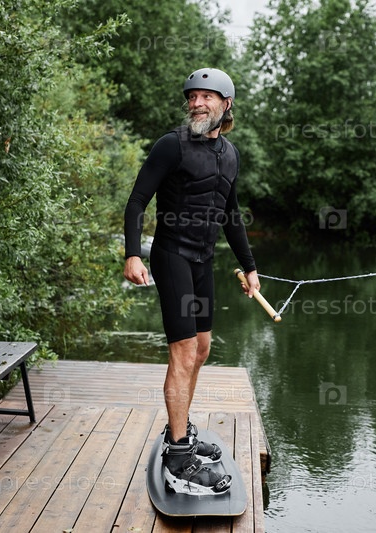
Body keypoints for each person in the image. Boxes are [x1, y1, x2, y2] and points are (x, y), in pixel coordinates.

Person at [123, 67, 260, 495]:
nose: (197, 103)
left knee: (201, 349)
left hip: (203, 261)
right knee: (183, 352)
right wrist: (132, 253)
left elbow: (231, 215)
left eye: (206, 97)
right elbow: (137, 200)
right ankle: (179, 456)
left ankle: (177, 431)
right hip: (171, 256)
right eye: (192, 97)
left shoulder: (230, 154)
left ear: (226, 104)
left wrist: (250, 266)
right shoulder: (172, 145)